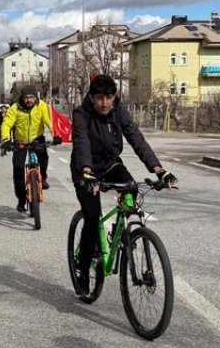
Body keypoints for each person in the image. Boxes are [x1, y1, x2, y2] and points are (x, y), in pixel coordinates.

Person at [69, 75, 177, 297]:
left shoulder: (119, 112)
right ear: (91, 97)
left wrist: (158, 169)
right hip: (85, 169)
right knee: (91, 217)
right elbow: (81, 142)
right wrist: (87, 172)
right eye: (99, 98)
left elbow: (136, 139)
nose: (105, 103)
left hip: (109, 165)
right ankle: (82, 270)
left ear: (115, 97)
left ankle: (122, 234)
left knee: (131, 187)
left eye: (109, 97)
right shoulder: (82, 114)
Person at [0, 87, 61, 213]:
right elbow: (6, 124)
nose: (28, 100)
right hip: (20, 141)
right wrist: (6, 140)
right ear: (22, 98)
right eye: (26, 97)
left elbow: (49, 121)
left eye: (31, 97)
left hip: (37, 138)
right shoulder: (15, 108)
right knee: (18, 170)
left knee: (44, 157)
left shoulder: (42, 106)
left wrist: (56, 135)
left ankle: (42, 178)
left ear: (35, 97)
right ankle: (21, 200)